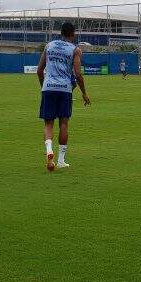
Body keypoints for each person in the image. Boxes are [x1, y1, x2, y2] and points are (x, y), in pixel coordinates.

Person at [37, 22, 91, 171]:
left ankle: (49, 151)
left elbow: (39, 70)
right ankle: (61, 160)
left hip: (48, 88)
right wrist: (84, 93)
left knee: (48, 124)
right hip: (65, 89)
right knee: (64, 124)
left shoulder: (49, 46)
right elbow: (78, 74)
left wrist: (44, 87)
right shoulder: (75, 50)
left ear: (61, 33)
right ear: (73, 34)